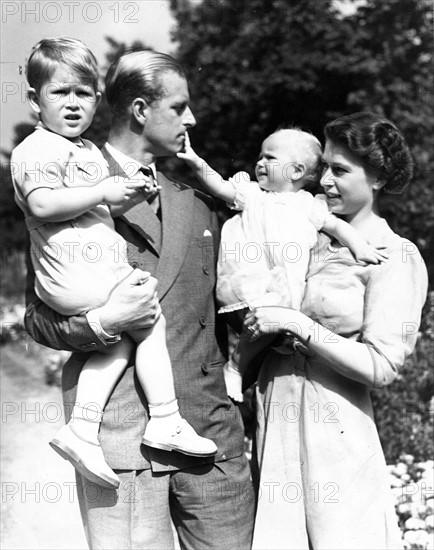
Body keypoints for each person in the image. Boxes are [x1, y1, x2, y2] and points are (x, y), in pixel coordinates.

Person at [24, 49, 255, 549]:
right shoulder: (68, 174)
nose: (191, 119)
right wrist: (104, 322)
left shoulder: (195, 194)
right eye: (179, 106)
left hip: (211, 437)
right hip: (120, 439)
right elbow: (38, 317)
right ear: (140, 110)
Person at [11, 38, 217, 491]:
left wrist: (121, 202)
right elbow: (43, 205)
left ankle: (85, 427)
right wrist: (106, 192)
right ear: (33, 100)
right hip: (76, 279)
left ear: (97, 100)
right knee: (142, 320)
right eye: (59, 93)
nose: (72, 104)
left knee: (131, 333)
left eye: (83, 94)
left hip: (92, 274)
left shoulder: (86, 153)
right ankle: (161, 418)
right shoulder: (38, 149)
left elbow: (93, 214)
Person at [243, 112, 428, 549]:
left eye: (340, 170)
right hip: (276, 419)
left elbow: (383, 365)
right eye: (323, 166)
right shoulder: (305, 233)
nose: (324, 180)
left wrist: (298, 324)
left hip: (334, 431)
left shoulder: (393, 255)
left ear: (378, 178)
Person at [178, 128, 387, 401]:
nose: (260, 163)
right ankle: (236, 368)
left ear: (296, 171)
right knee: (266, 320)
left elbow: (336, 227)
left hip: (282, 290)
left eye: (269, 158)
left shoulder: (308, 205)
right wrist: (194, 160)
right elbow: (219, 185)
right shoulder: (252, 194)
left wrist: (359, 246)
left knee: (273, 324)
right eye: (260, 157)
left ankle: (238, 371)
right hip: (248, 283)